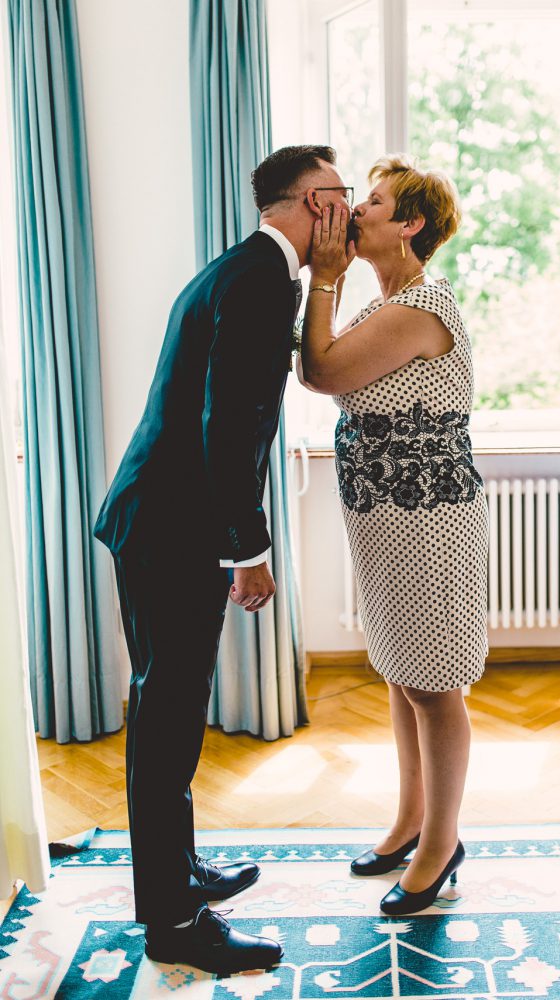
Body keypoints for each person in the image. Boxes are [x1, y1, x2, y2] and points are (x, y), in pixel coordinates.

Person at [93, 144, 353, 973]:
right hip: (176, 530)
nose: (347, 212)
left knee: (167, 714)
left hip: (163, 519)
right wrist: (249, 551)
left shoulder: (241, 268)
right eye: (342, 196)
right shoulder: (255, 282)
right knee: (167, 723)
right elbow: (225, 429)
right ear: (316, 202)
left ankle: (178, 872)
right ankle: (174, 926)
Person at [297, 155, 488, 915]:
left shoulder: (418, 307)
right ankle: (410, 822)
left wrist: (321, 274)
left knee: (435, 685)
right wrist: (333, 279)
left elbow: (320, 373)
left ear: (408, 224)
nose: (356, 211)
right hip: (385, 517)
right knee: (404, 674)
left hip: (429, 520)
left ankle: (441, 845)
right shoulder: (386, 302)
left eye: (371, 202)